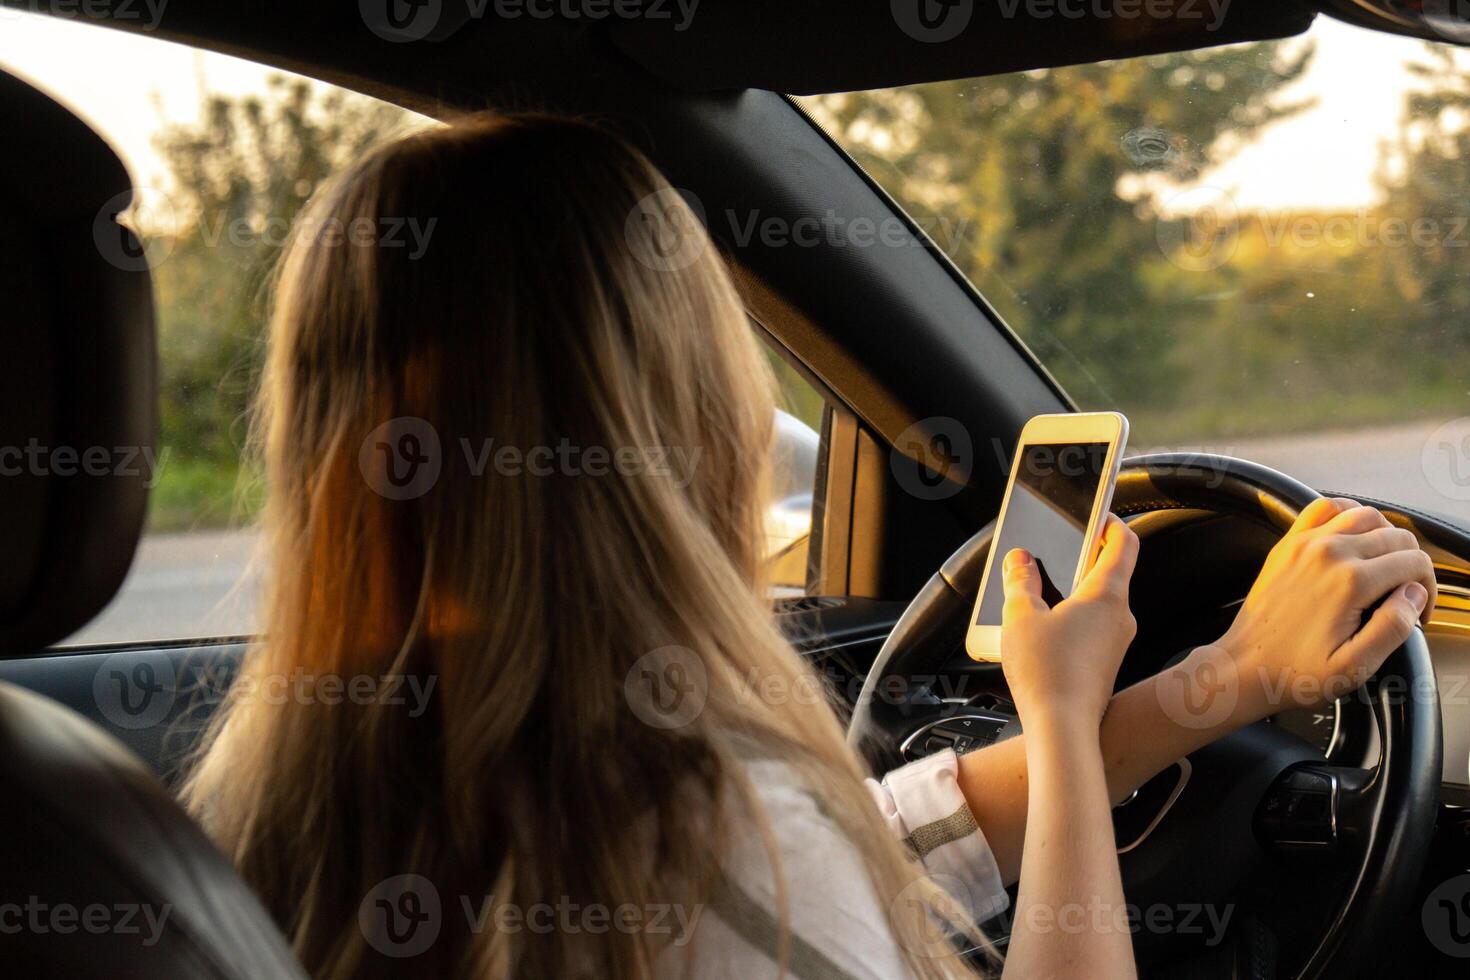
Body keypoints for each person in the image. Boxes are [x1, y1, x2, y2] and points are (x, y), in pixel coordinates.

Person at [182, 114, 1436, 980]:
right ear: (680, 413)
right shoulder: (694, 837)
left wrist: (1218, 687)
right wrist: (1055, 728)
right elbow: (782, 870)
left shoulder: (278, 793)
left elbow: (873, 842)